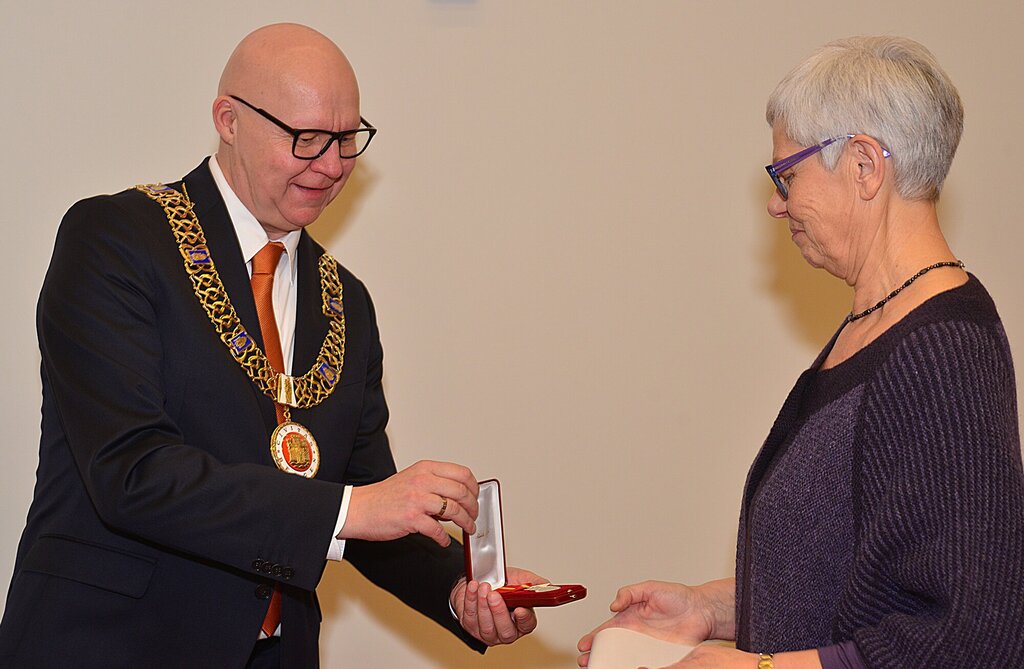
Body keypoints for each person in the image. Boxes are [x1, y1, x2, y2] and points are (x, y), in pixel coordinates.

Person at [0, 23, 541, 668]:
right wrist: (356, 505)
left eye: (347, 140)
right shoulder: (116, 238)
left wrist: (461, 592)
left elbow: (364, 508)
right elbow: (132, 472)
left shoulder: (346, 300)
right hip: (110, 644)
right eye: (307, 138)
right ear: (228, 119)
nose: (333, 165)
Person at [578, 36, 1024, 669]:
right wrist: (711, 608)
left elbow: (969, 638)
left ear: (866, 165)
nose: (775, 202)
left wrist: (757, 668)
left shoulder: (944, 350)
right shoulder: (876, 323)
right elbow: (860, 575)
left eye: (789, 174)